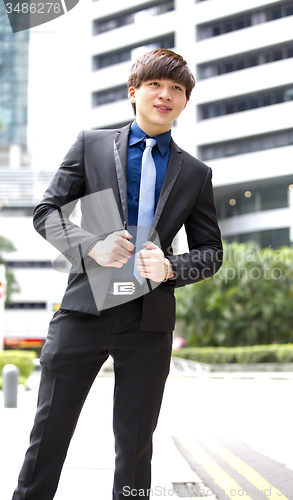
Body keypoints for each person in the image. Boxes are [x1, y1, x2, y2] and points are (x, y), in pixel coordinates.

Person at [12, 48, 222, 500]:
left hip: (148, 322)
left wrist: (171, 267)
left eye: (177, 90)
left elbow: (211, 251)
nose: (165, 95)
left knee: (134, 446)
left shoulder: (196, 173)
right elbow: (46, 211)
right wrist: (91, 245)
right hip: (83, 310)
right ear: (134, 93)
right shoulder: (91, 144)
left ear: (185, 102)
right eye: (155, 85)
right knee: (48, 435)